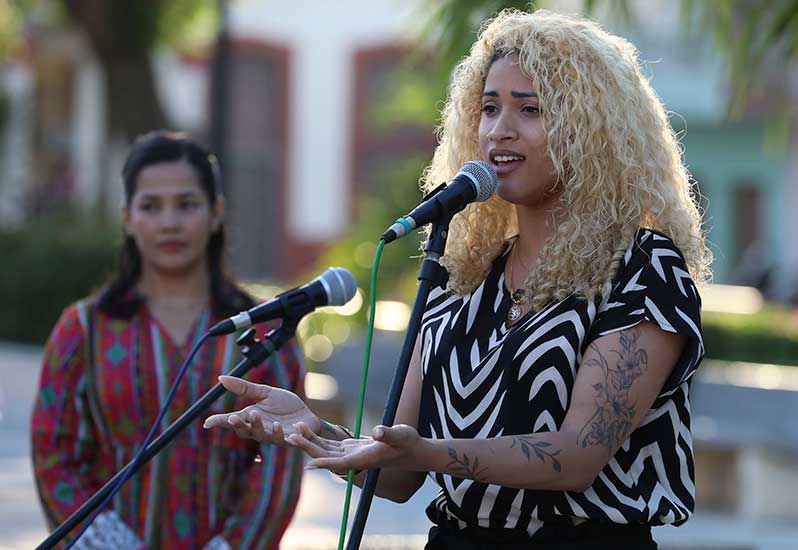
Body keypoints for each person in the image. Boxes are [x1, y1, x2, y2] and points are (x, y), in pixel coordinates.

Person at [204, 9, 711, 549]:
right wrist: (316, 431)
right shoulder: (462, 279)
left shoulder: (641, 267)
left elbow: (576, 457)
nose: (499, 129)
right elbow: (398, 474)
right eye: (489, 108)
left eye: (531, 109)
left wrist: (425, 451)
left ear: (593, 130)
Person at [31, 132, 304, 550]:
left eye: (187, 204)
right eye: (150, 206)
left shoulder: (266, 329)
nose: (169, 222)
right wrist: (99, 537)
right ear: (127, 217)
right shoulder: (83, 329)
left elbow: (280, 458)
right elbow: (52, 451)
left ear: (216, 213)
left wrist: (234, 544)